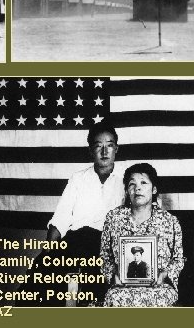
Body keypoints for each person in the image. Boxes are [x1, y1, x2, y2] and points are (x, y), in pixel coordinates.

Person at [16, 124, 126, 307]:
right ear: (91, 150)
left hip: (106, 243)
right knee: (41, 270)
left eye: (109, 145)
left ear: (116, 148)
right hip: (77, 240)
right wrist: (48, 249)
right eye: (99, 146)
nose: (105, 151)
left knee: (96, 281)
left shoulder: (125, 179)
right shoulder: (78, 178)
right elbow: (62, 216)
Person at [100, 163, 184, 307]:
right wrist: (113, 277)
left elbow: (178, 259)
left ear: (154, 189)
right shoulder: (114, 218)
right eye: (132, 184)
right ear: (127, 191)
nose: (137, 188)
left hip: (159, 288)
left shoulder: (170, 221)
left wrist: (164, 275)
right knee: (114, 298)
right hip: (122, 288)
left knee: (161, 299)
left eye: (143, 183)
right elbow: (105, 256)